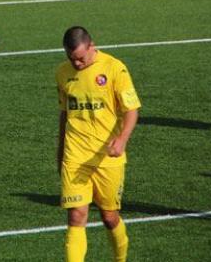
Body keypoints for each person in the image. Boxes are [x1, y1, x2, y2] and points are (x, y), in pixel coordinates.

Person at [56, 26, 140, 262]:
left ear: (92, 46)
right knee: (76, 216)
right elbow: (64, 114)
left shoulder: (114, 68)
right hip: (75, 155)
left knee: (109, 217)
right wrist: (60, 150)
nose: (76, 63)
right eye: (71, 58)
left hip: (107, 156)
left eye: (80, 58)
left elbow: (132, 109)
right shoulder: (62, 73)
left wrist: (122, 140)